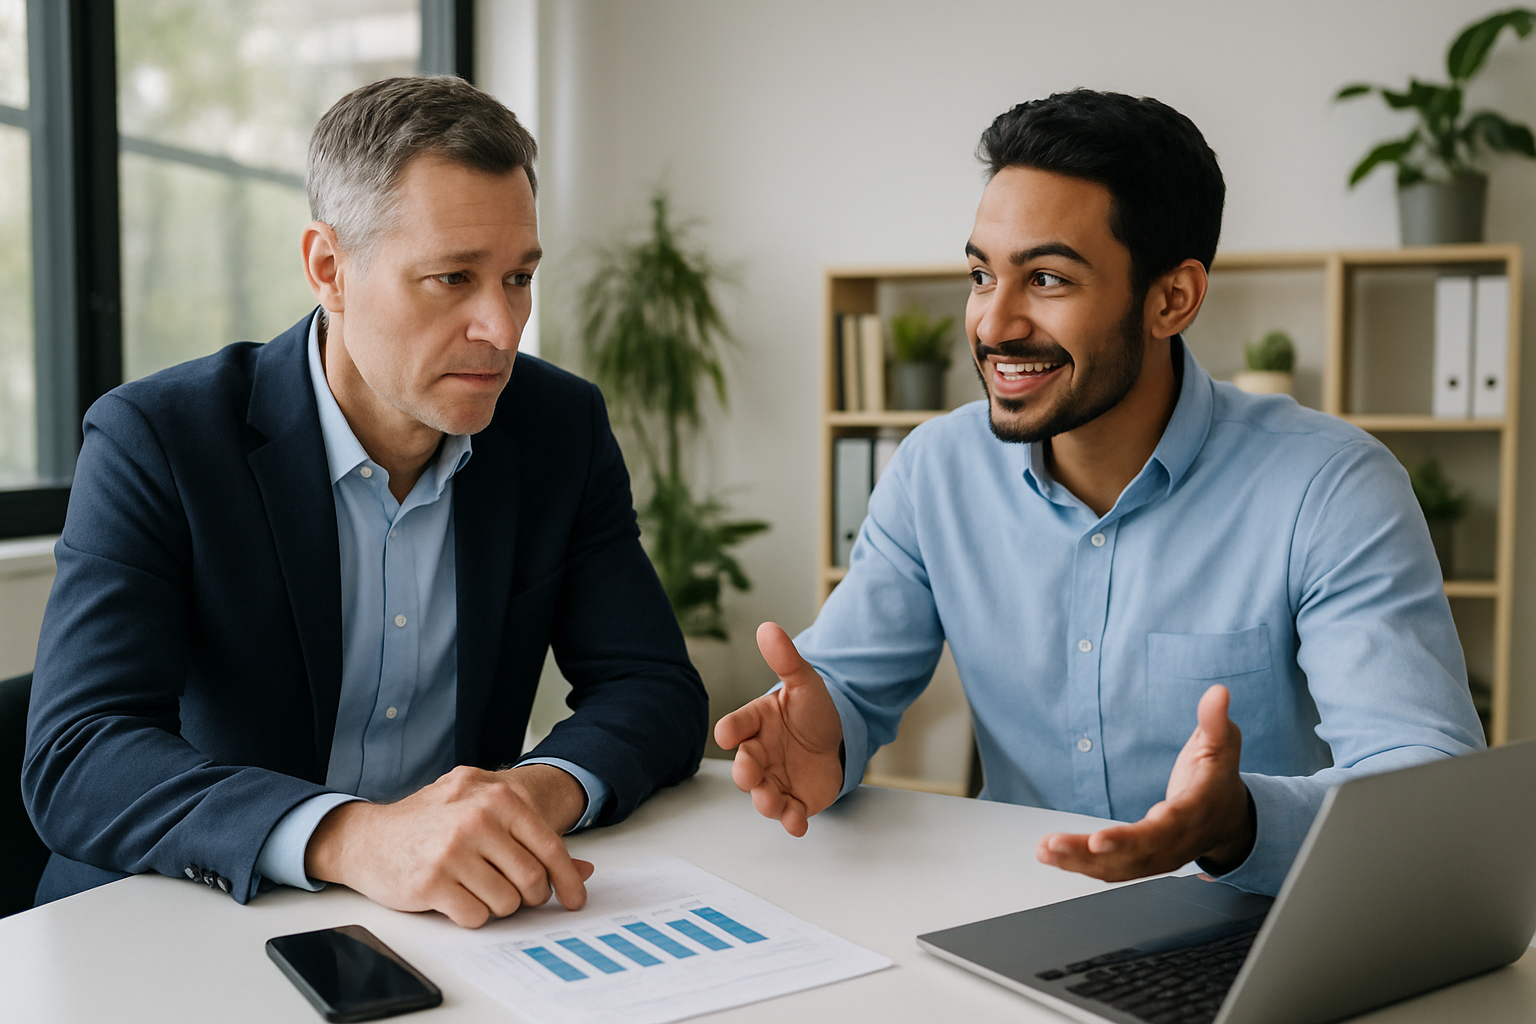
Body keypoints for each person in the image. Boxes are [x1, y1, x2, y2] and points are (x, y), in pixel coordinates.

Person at [715, 90, 1484, 896]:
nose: (993, 324)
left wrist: (1238, 822)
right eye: (983, 274)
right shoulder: (933, 469)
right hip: (1012, 911)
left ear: (1171, 299)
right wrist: (823, 733)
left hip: (1252, 922)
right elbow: (847, 686)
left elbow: (1426, 779)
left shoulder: (1330, 487)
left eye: (1045, 279)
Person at [23, 76, 707, 928]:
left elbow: (654, 689)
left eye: (520, 277)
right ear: (328, 268)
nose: (502, 328)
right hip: (186, 920)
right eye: (452, 278)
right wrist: (352, 839)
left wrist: (530, 793)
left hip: (452, 923)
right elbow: (78, 754)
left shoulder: (558, 428)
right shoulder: (157, 439)